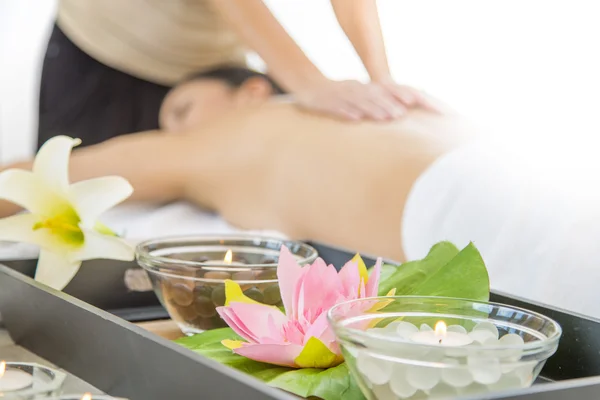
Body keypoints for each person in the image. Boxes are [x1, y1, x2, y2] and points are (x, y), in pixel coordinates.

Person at [4, 66, 599, 318]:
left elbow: (47, 176)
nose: (171, 135)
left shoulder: (241, 130)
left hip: (482, 217)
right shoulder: (381, 107)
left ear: (253, 89)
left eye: (181, 109)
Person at [39, 0, 436, 148]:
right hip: (105, 49)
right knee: (77, 200)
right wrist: (310, 84)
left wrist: (382, 80)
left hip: (209, 65)